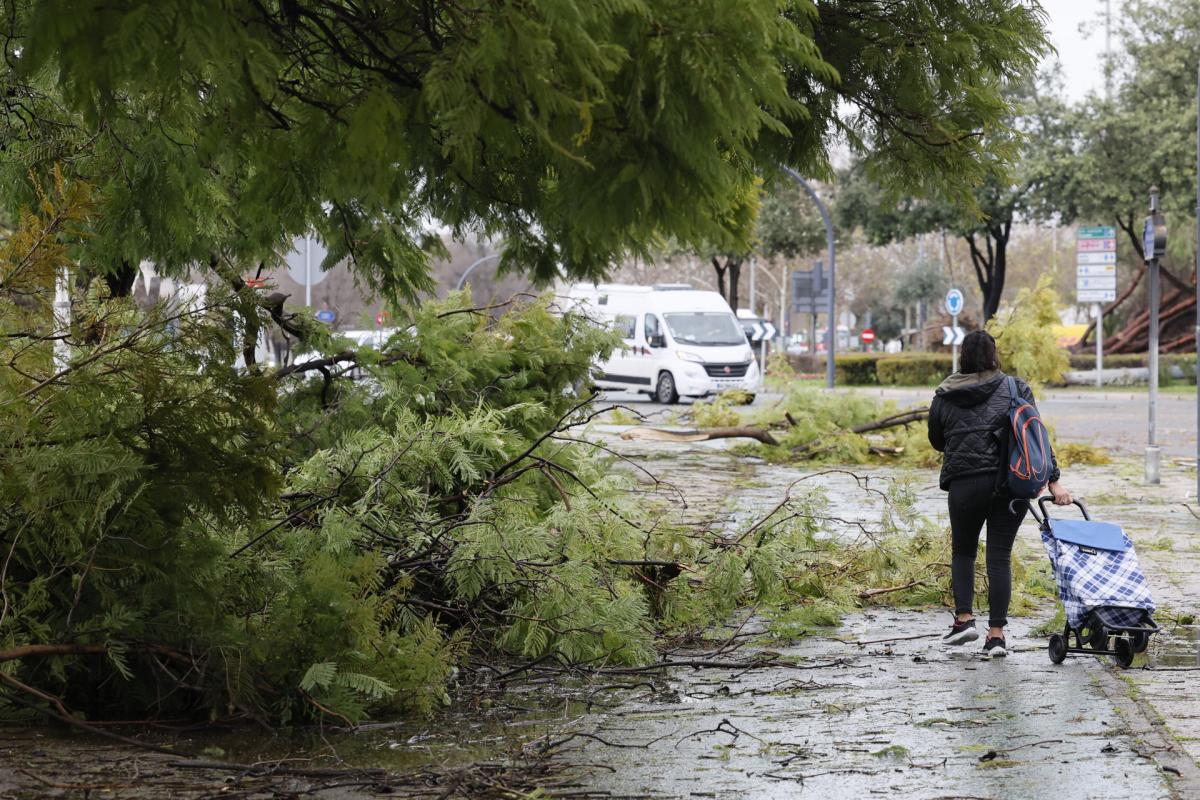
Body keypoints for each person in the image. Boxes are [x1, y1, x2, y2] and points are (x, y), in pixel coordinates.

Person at [927, 330, 1072, 658]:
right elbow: (1036, 437)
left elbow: (937, 441)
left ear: (962, 356)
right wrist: (1054, 481)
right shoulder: (1015, 387)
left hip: (964, 485)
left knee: (963, 552)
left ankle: (964, 620)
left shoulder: (944, 394)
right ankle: (996, 636)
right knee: (999, 556)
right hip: (1010, 484)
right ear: (994, 355)